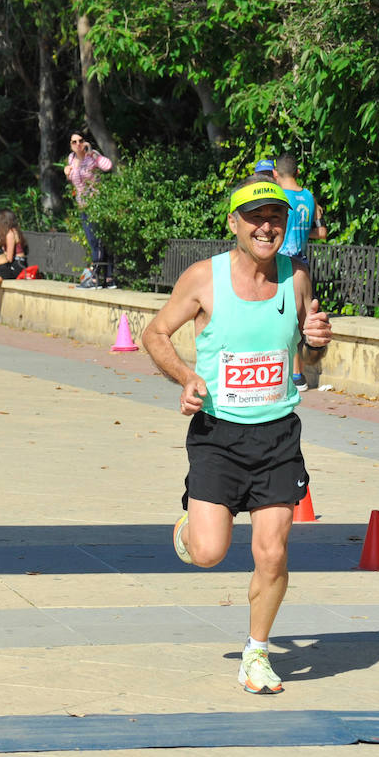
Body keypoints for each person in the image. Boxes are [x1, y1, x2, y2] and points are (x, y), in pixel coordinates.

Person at [141, 177, 332, 695]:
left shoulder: (297, 281)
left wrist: (315, 345)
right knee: (209, 553)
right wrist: (187, 378)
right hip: (217, 435)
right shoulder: (204, 279)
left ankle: (257, 654)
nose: (266, 226)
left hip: (277, 435)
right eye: (254, 217)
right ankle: (189, 529)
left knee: (272, 552)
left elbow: (307, 364)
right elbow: (153, 333)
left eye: (275, 216)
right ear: (234, 224)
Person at [272, 154, 327, 391]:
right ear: (297, 173)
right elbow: (320, 232)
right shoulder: (309, 197)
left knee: (285, 319)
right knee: (301, 319)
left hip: (282, 262)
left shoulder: (279, 197)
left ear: (276, 174)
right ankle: (298, 374)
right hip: (302, 263)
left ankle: (292, 374)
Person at [64, 129, 114, 289]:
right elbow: (74, 180)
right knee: (93, 241)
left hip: (95, 205)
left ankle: (95, 279)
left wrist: (92, 152)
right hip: (82, 206)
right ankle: (108, 278)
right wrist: (67, 172)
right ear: (71, 145)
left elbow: (108, 166)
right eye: (74, 142)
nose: (78, 144)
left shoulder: (92, 156)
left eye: (80, 140)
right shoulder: (71, 159)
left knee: (96, 241)